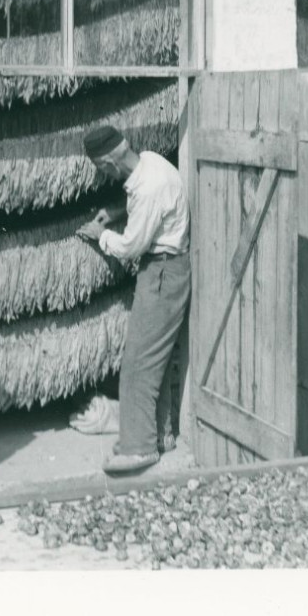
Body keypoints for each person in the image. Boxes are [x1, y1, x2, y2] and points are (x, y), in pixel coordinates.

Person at [78, 124, 191, 475]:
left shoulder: (148, 188)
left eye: (101, 169)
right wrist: (116, 212)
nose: (104, 175)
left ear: (109, 163)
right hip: (168, 269)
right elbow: (146, 208)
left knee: (138, 363)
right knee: (156, 357)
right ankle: (161, 436)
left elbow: (130, 247)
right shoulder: (152, 163)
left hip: (160, 272)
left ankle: (138, 448)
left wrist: (102, 235)